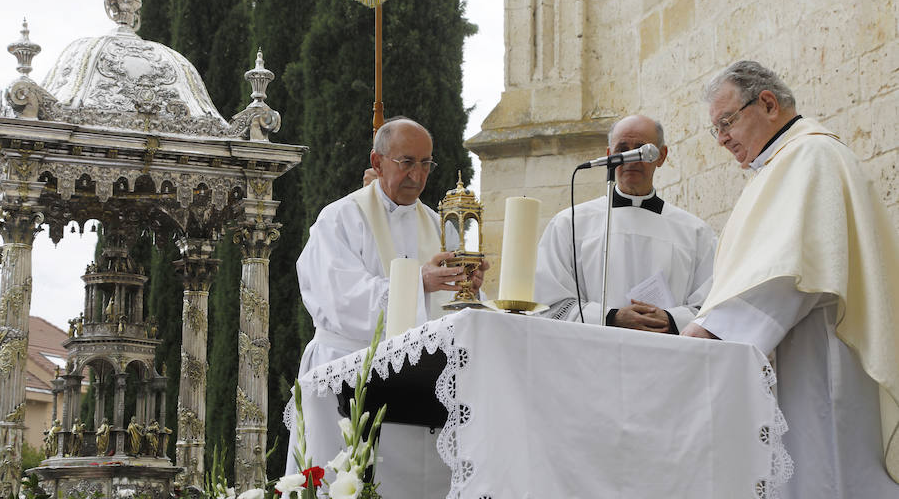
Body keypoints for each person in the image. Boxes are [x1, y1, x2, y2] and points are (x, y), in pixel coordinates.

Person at [682, 60, 899, 496]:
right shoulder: (781, 165)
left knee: (825, 475)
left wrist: (707, 332)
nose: (722, 138)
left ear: (767, 103)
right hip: (793, 355)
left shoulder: (811, 156)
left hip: (820, 363)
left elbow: (786, 275)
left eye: (727, 122)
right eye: (716, 129)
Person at [286, 117, 487, 499]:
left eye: (426, 164)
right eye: (406, 162)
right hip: (346, 374)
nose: (418, 174)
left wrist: (468, 291)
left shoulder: (439, 224)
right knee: (340, 480)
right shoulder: (340, 218)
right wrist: (418, 284)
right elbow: (337, 297)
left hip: (419, 391)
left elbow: (449, 319)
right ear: (377, 163)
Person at [535, 115, 716, 331]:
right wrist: (611, 317)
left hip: (667, 355)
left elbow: (711, 306)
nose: (631, 157)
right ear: (609, 155)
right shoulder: (570, 224)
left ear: (661, 156)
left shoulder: (695, 232)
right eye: (623, 148)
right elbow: (549, 302)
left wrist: (670, 319)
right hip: (593, 356)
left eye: (641, 148)